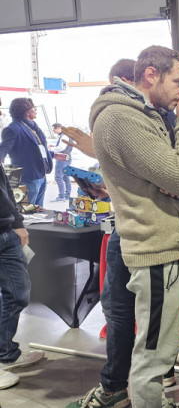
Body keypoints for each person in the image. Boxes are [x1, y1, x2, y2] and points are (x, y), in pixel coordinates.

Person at [68, 46, 179, 408]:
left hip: (161, 245)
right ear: (150, 75)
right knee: (155, 353)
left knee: (157, 348)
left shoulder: (146, 116)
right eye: (178, 81)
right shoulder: (121, 118)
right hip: (157, 248)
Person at [0, 164, 45, 389]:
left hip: (6, 232)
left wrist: (17, 223)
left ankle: (6, 352)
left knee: (18, 293)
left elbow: (5, 186)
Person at [0, 98, 53, 207]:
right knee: (27, 214)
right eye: (34, 108)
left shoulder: (32, 127)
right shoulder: (12, 129)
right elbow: (3, 149)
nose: (36, 111)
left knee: (39, 214)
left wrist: (53, 155)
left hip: (41, 175)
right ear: (26, 111)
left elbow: (36, 149)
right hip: (28, 178)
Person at [49, 123, 74, 202]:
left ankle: (61, 196)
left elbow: (61, 147)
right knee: (66, 177)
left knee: (58, 177)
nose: (54, 131)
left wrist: (51, 149)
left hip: (62, 159)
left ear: (59, 128)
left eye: (54, 129)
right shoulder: (68, 135)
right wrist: (54, 147)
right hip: (68, 157)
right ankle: (67, 195)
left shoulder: (64, 136)